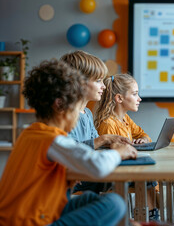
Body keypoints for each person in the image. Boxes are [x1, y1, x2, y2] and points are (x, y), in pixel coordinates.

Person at [0, 59, 137, 225]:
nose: (80, 113)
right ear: (59, 106)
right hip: (30, 222)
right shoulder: (52, 139)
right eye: (78, 107)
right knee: (115, 203)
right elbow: (97, 166)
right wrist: (118, 153)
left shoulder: (30, 133)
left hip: (41, 210)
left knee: (90, 199)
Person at [60, 50, 132, 194]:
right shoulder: (65, 116)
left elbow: (93, 146)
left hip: (87, 170)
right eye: (98, 81)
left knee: (136, 174)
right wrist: (104, 139)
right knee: (129, 177)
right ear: (79, 83)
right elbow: (71, 153)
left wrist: (111, 142)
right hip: (77, 178)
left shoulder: (86, 113)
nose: (103, 86)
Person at [94, 73, 158, 221]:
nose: (139, 98)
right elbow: (113, 156)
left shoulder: (125, 118)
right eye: (135, 94)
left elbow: (144, 135)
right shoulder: (108, 123)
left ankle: (151, 215)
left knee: (149, 174)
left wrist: (141, 140)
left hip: (127, 168)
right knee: (147, 176)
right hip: (115, 175)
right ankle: (149, 216)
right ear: (119, 98)